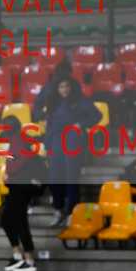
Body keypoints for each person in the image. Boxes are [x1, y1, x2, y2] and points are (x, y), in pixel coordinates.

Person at [35, 76, 101, 227]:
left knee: (71, 179)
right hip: (55, 144)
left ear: (72, 87)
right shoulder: (53, 103)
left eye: (66, 86)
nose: (64, 90)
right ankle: (58, 210)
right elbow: (50, 126)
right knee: (54, 180)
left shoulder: (80, 101)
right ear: (56, 89)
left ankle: (71, 213)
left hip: (72, 142)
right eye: (61, 87)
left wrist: (81, 124)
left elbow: (97, 115)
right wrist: (47, 145)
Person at [0, 115, 45, 271]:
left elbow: (18, 163)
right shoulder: (17, 139)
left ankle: (29, 259)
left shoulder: (19, 140)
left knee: (17, 221)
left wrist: (9, 173)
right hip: (18, 186)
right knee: (8, 219)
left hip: (22, 187)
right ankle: (18, 255)